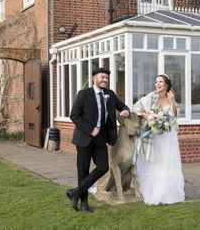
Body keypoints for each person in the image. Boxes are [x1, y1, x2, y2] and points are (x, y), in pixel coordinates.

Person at [66, 67, 130, 212]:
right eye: (102, 77)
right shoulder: (84, 94)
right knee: (83, 171)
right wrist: (90, 129)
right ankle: (84, 203)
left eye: (106, 78)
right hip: (84, 138)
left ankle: (74, 192)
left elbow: (122, 106)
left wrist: (126, 110)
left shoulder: (110, 94)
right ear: (94, 78)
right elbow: (74, 115)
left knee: (103, 167)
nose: (105, 80)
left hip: (101, 138)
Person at [132, 74, 185, 205]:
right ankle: (151, 188)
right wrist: (148, 116)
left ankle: (168, 191)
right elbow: (136, 108)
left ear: (166, 85)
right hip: (154, 135)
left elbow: (175, 116)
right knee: (154, 160)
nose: (158, 84)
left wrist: (172, 101)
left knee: (167, 160)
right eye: (156, 82)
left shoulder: (171, 98)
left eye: (161, 82)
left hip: (168, 136)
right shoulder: (151, 97)